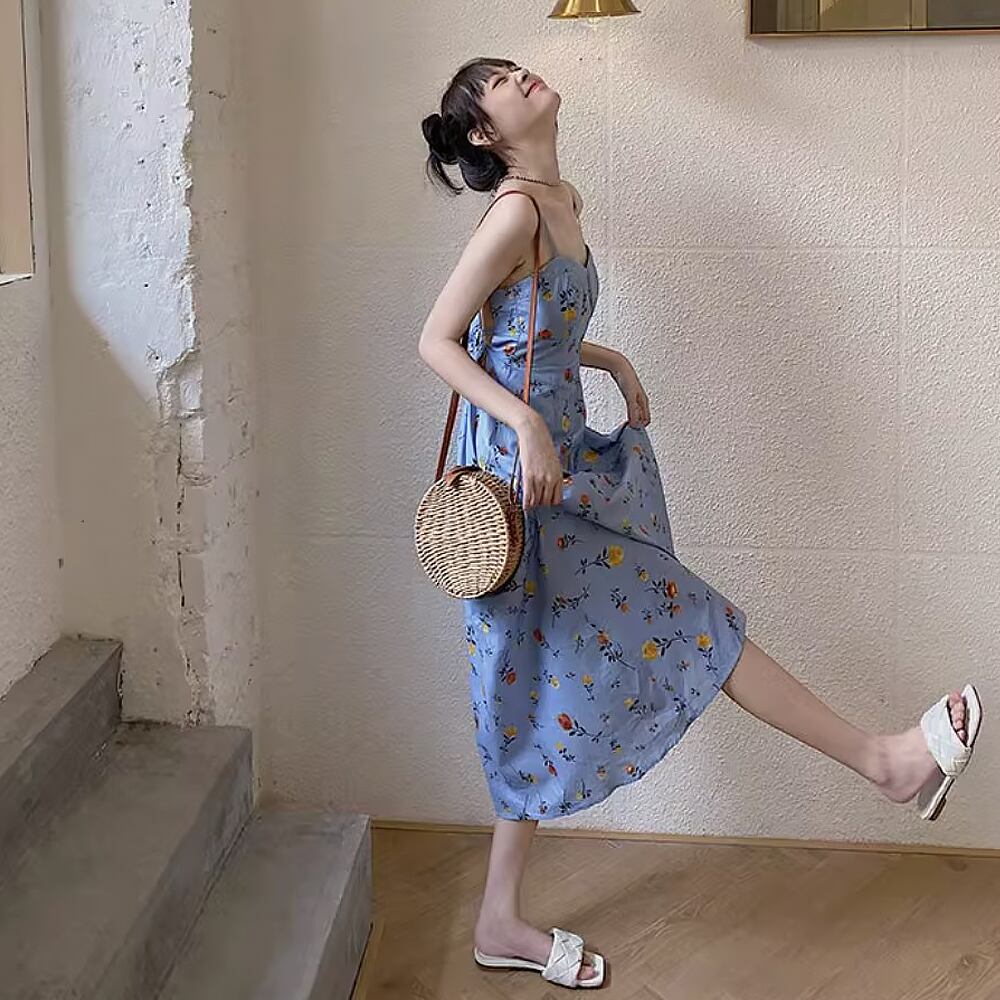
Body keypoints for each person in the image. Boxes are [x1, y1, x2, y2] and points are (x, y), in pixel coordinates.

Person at [416, 57, 982, 990]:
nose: (526, 75)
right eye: (504, 82)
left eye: (518, 68)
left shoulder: (563, 199)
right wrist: (523, 424)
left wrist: (608, 359)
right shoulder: (515, 212)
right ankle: (884, 762)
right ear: (485, 133)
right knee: (678, 622)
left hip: (564, 469)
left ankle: (497, 919)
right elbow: (438, 339)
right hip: (529, 488)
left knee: (540, 678)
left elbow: (524, 331)